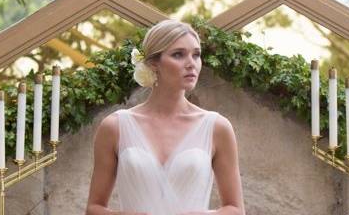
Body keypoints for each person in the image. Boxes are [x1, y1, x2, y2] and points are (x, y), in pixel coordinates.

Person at [85, 20, 245, 215]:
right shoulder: (115, 126)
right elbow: (94, 208)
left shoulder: (217, 127)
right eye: (178, 54)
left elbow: (236, 209)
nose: (191, 63)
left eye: (196, 55)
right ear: (153, 63)